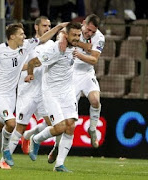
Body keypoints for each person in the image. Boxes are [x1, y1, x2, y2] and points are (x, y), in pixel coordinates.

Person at [0, 22, 66, 168]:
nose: (24, 36)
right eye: (21, 34)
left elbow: (43, 38)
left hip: (11, 96)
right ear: (13, 36)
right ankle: (6, 150)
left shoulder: (25, 46)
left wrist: (58, 28)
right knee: (11, 123)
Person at [0, 16, 54, 170]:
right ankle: (3, 159)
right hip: (27, 91)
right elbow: (19, 65)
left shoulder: (53, 45)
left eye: (49, 26)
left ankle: (32, 136)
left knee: (53, 124)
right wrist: (30, 68)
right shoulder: (27, 45)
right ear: (36, 27)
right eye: (44, 25)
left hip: (43, 91)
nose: (47, 28)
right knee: (19, 126)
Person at [47, 14, 105, 164]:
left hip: (86, 73)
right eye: (89, 30)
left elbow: (94, 60)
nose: (90, 34)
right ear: (84, 23)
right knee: (67, 119)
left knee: (95, 100)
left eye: (93, 31)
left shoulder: (100, 38)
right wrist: (82, 45)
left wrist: (79, 52)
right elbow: (61, 35)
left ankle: (92, 129)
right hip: (71, 75)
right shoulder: (73, 28)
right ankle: (56, 147)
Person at [25, 21, 82, 172]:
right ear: (67, 35)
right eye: (74, 35)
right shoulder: (56, 49)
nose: (77, 38)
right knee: (60, 127)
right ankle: (36, 139)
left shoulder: (73, 43)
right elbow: (32, 62)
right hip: (51, 92)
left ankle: (59, 165)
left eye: (78, 35)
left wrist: (65, 34)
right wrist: (30, 74)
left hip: (67, 91)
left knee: (71, 126)